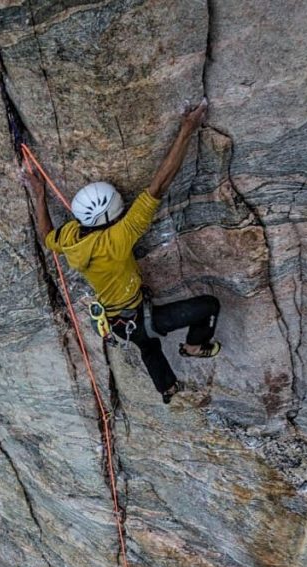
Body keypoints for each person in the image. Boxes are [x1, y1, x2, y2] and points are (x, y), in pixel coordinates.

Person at [24, 99, 221, 404]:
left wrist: (39, 194)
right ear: (114, 214)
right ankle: (195, 346)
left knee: (148, 345)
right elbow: (160, 184)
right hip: (139, 319)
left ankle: (168, 389)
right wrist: (186, 130)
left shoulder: (72, 238)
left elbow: (47, 235)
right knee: (209, 305)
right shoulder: (120, 237)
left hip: (121, 327)